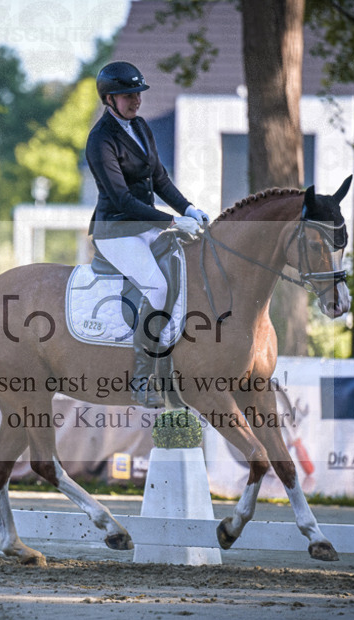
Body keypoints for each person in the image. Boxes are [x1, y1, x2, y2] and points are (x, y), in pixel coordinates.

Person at [85, 61, 209, 408]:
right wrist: (170, 223)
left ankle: (175, 362)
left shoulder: (140, 126)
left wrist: (188, 209)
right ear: (109, 99)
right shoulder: (100, 139)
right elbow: (122, 198)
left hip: (146, 225)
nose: (135, 101)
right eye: (127, 96)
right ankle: (142, 380)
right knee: (157, 286)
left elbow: (161, 180)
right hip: (117, 231)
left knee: (186, 272)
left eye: (137, 94)